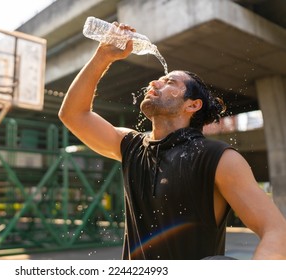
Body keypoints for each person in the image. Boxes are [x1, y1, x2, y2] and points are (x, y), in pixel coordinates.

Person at [58, 22, 286, 260]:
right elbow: (73, 114)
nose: (154, 83)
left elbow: (276, 231)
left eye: (169, 83)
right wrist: (103, 56)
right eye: (157, 80)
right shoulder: (131, 146)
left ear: (192, 105)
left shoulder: (219, 159)